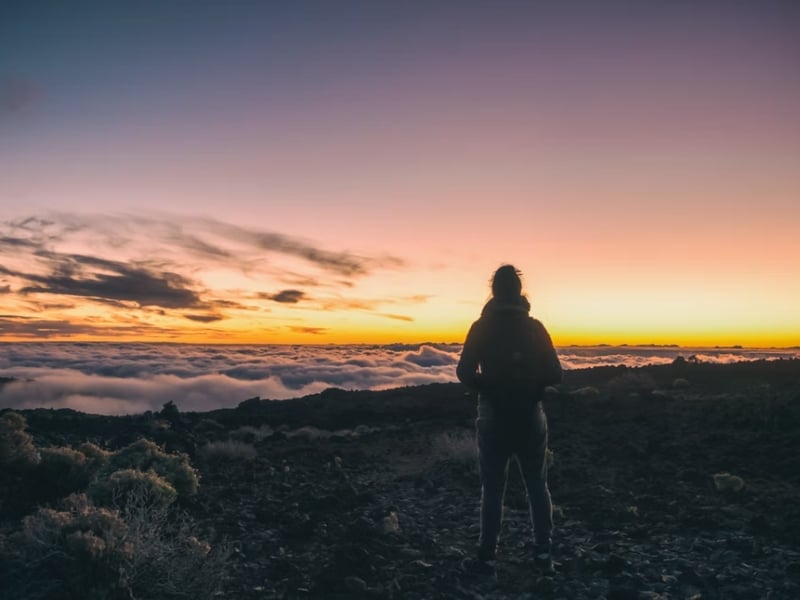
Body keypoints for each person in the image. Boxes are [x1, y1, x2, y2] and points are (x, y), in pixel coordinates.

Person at [457, 264, 562, 575]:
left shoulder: (481, 328)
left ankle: (487, 558)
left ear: (493, 292)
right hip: (531, 415)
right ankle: (543, 555)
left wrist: (487, 387)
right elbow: (556, 373)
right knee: (537, 485)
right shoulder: (535, 328)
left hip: (492, 416)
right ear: (519, 293)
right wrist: (532, 386)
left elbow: (464, 372)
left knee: (492, 488)